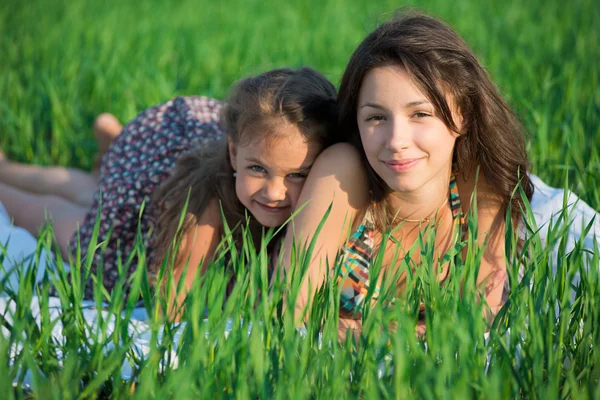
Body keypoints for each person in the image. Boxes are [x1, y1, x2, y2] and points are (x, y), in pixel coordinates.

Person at [282, 11, 534, 338]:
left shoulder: (482, 186)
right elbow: (289, 312)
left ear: (463, 116)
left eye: (420, 114)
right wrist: (423, 331)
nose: (396, 141)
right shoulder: (344, 172)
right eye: (376, 118)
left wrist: (359, 331)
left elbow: (476, 325)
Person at [0, 67, 338, 309]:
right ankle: (6, 175)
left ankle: (113, 150)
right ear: (234, 153)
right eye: (258, 169)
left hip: (170, 156)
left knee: (93, 188)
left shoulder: (277, 158)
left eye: (297, 175)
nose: (274, 192)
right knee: (79, 225)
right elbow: (171, 303)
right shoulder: (203, 210)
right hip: (153, 196)